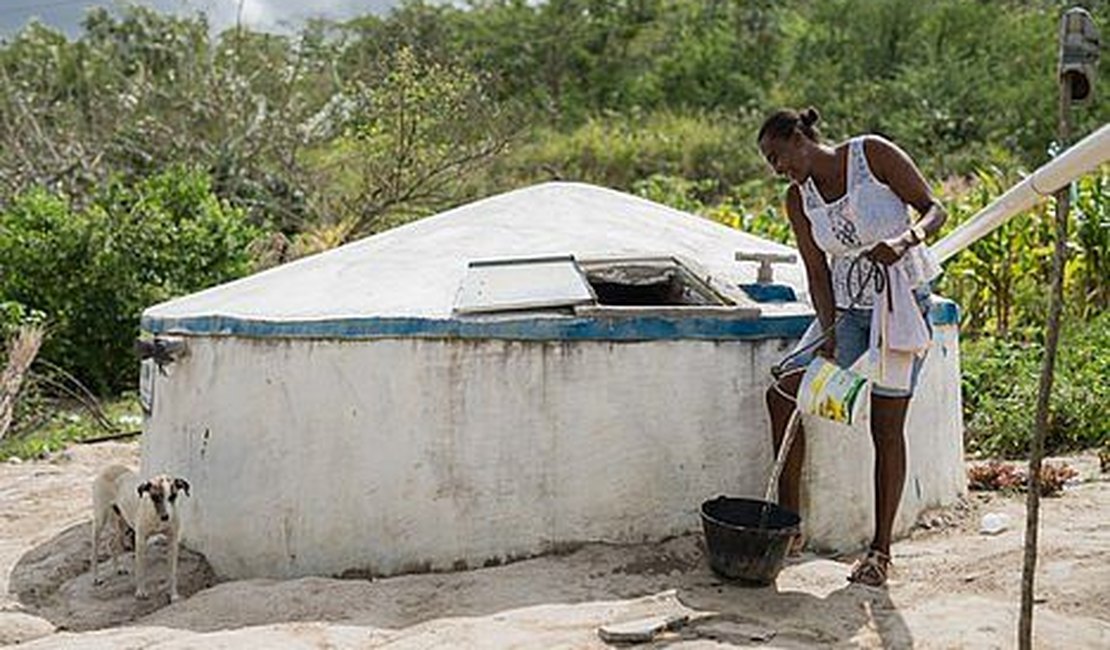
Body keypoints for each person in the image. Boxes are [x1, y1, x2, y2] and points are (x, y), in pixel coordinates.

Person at [756, 107, 947, 588]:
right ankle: (788, 525)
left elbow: (934, 209)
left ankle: (880, 553)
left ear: (799, 138)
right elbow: (817, 274)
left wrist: (905, 240)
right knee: (782, 394)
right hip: (846, 313)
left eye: (778, 156)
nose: (778, 168)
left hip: (901, 305)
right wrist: (828, 333)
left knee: (886, 427)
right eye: (771, 163)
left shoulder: (871, 155)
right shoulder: (797, 200)